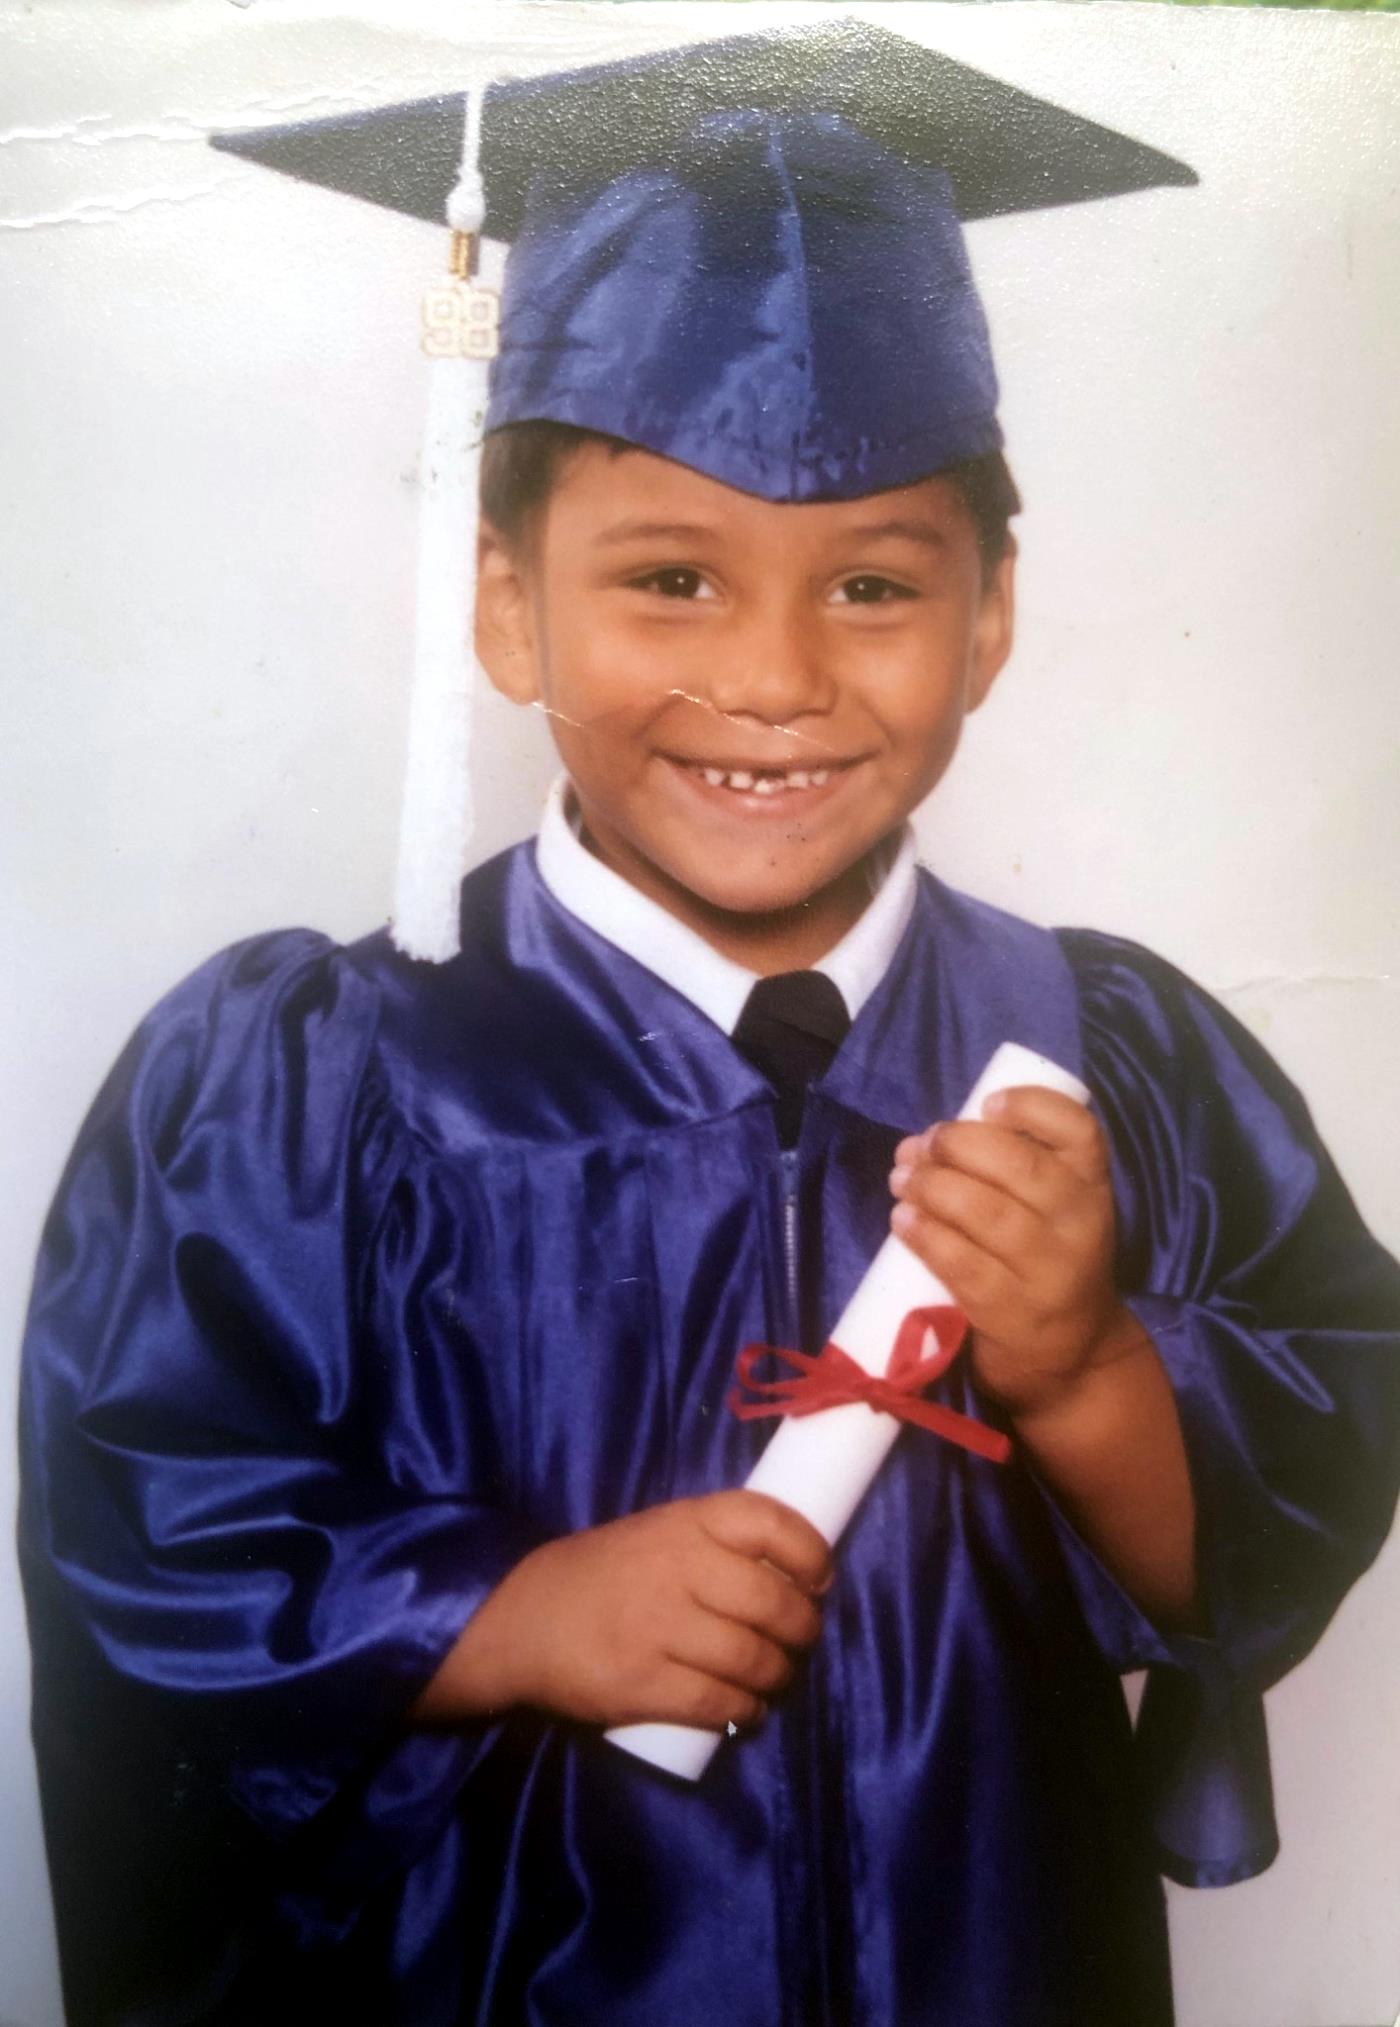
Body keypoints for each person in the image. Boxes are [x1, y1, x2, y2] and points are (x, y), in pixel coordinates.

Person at [18, 21, 1400, 2027]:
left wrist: (1091, 1366)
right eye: (670, 577)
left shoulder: (1111, 1058)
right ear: (509, 606)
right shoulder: (311, 1087)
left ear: (992, 616)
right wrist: (496, 1615)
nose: (772, 677)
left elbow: (1298, 1502)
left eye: (872, 587)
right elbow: (150, 1533)